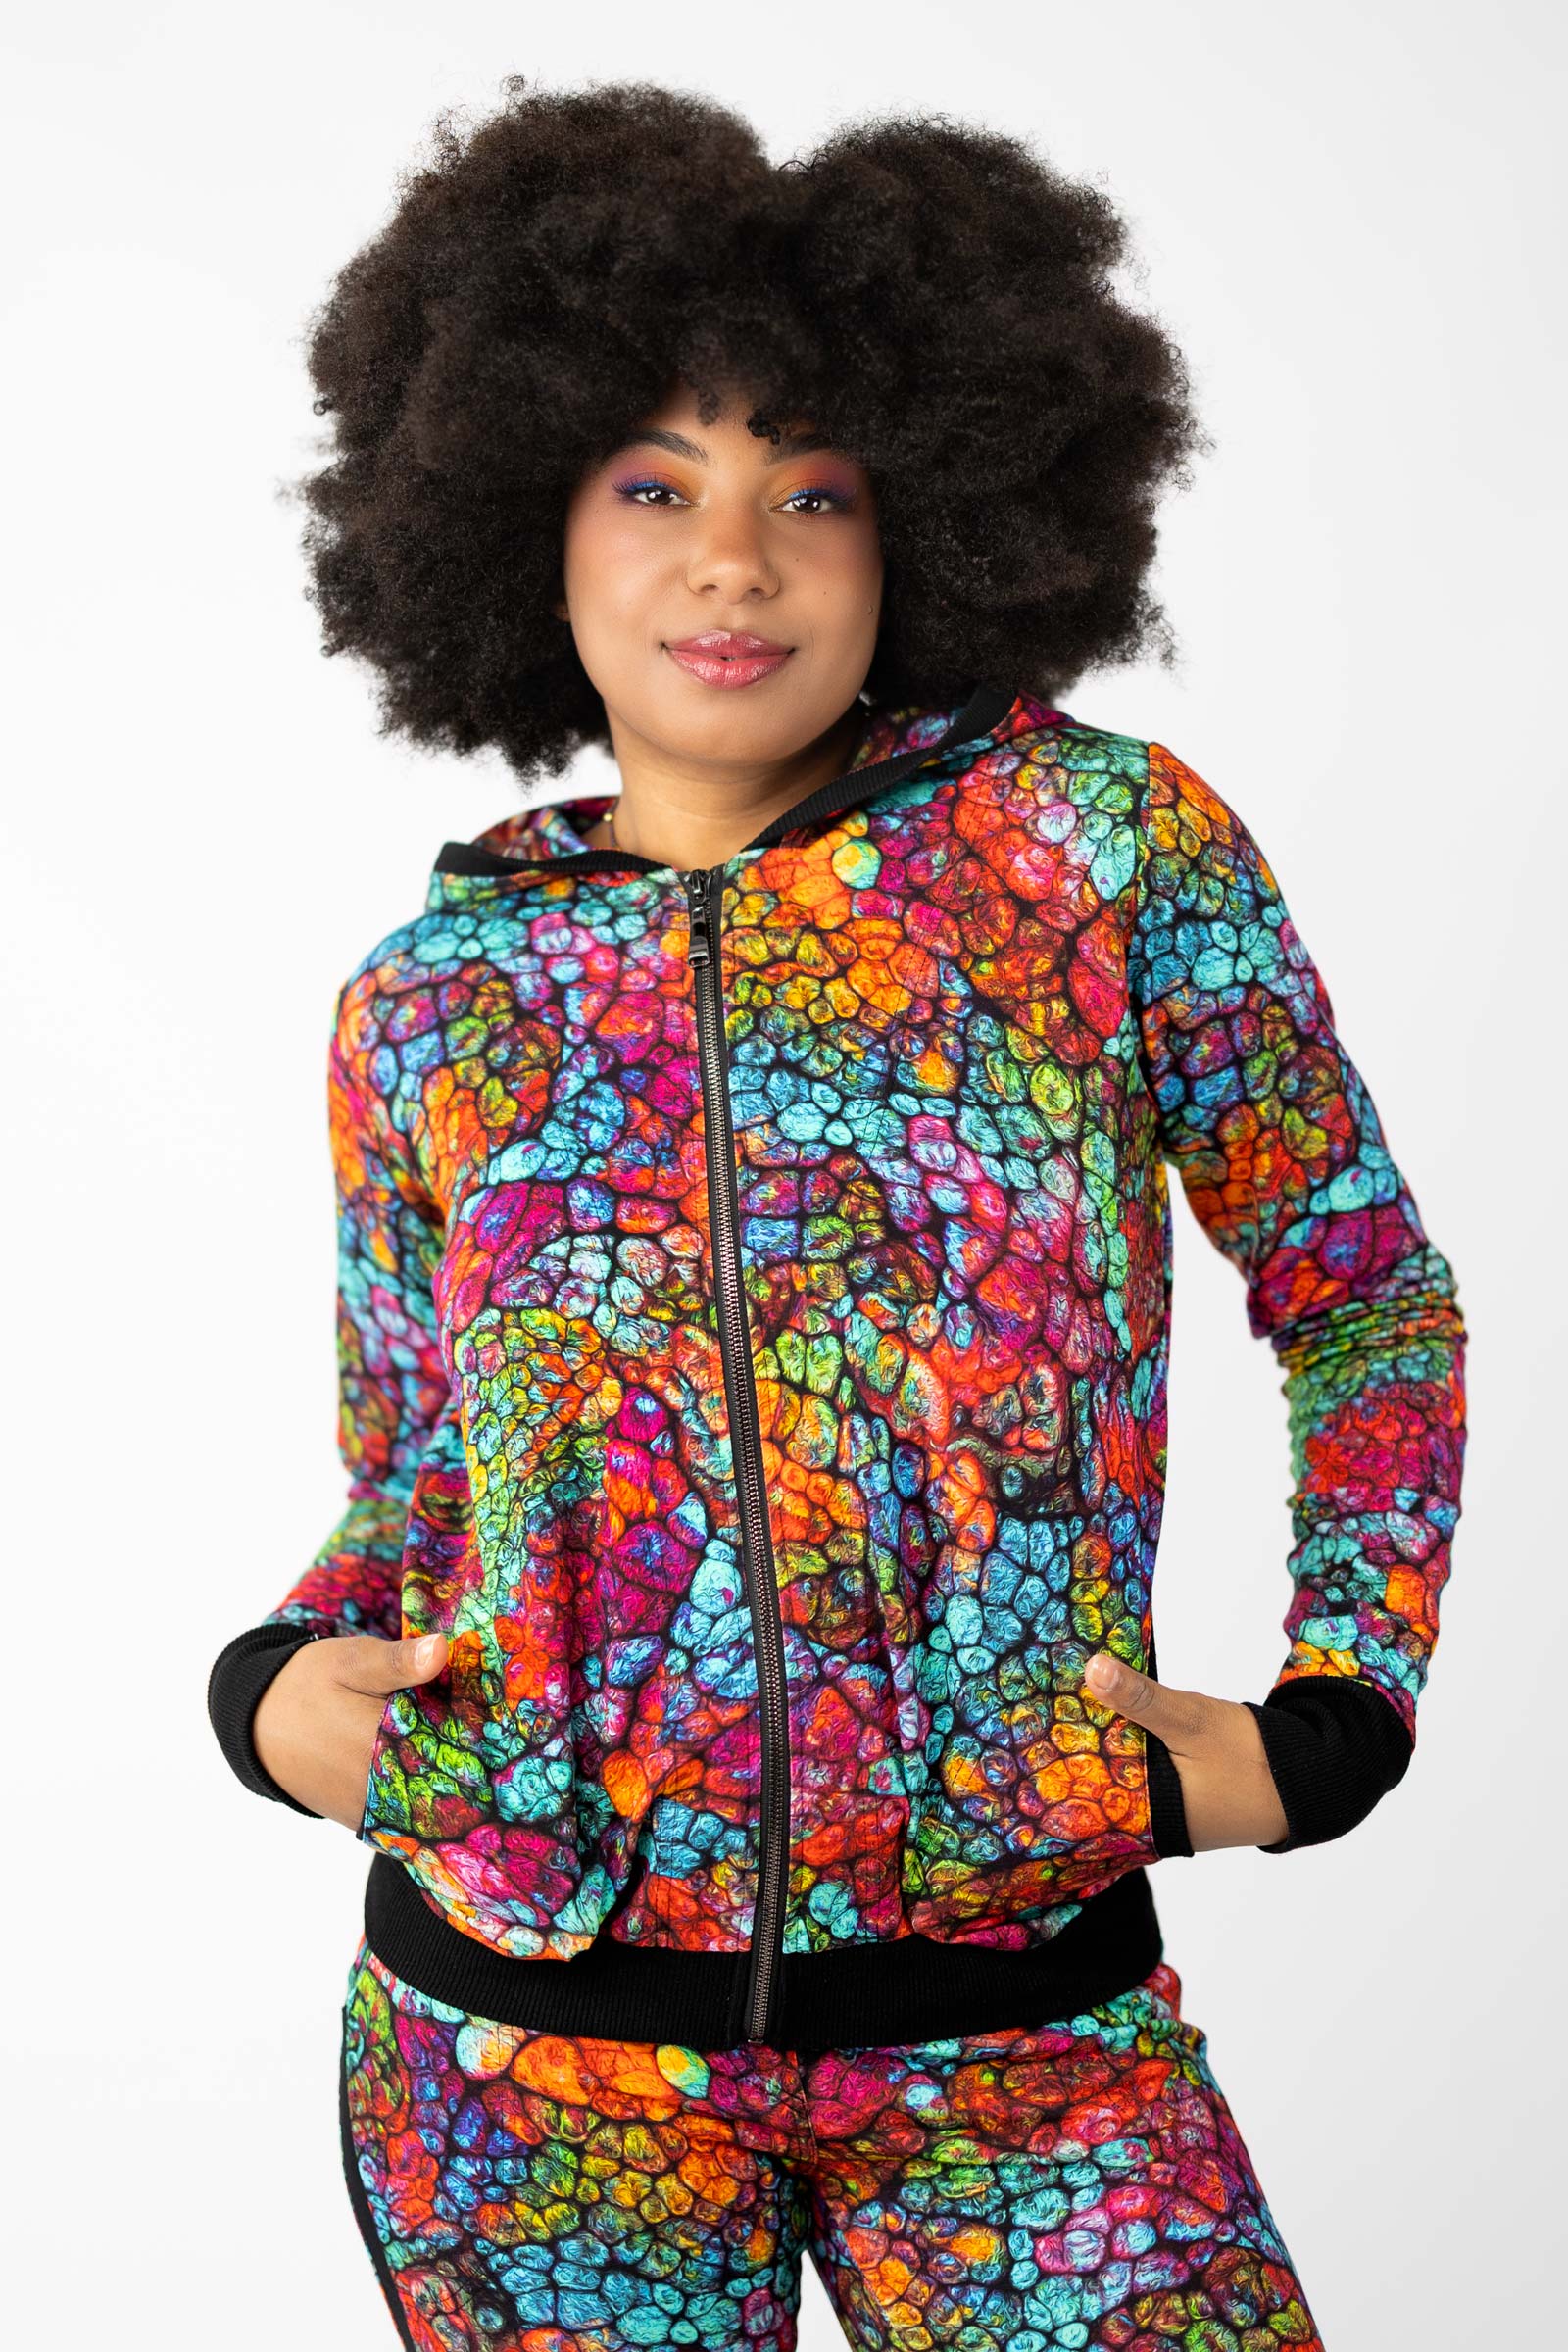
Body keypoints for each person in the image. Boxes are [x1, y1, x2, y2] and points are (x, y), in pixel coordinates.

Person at [206, 75, 1467, 2352]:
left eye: (811, 489)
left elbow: (1360, 1289)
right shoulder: (425, 1001)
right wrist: (266, 1691)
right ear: (515, 518)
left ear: (926, 527)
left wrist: (1329, 1720)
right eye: (650, 483)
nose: (734, 561)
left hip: (1019, 2034)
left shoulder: (1096, 854)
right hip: (519, 2075)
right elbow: (414, 1491)